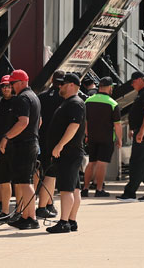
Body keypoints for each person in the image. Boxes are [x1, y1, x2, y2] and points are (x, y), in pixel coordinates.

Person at [0, 69, 42, 229]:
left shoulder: (23, 98)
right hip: (31, 143)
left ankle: (30, 217)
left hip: (24, 144)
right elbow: (39, 122)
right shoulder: (34, 97)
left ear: (23, 82)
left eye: (13, 83)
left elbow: (23, 122)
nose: (11, 86)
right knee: (25, 182)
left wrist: (6, 137)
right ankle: (27, 216)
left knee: (25, 182)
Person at [45, 73, 86, 233]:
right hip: (71, 152)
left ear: (71, 86)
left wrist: (60, 145)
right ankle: (71, 219)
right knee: (74, 188)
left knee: (66, 189)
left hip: (69, 152)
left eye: (62, 84)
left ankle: (64, 222)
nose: (59, 87)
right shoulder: (70, 103)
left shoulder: (75, 103)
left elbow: (74, 126)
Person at [117, 71, 144, 202]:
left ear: (141, 80)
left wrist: (141, 131)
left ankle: (130, 192)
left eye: (133, 81)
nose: (132, 84)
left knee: (137, 161)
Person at [82, 77, 122, 197]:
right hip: (107, 137)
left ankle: (85, 189)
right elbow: (117, 125)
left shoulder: (88, 101)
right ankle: (99, 189)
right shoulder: (113, 103)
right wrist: (119, 139)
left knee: (91, 162)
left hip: (92, 137)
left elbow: (86, 121)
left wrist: (87, 134)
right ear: (110, 88)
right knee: (101, 164)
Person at [36, 70, 65, 219]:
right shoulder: (64, 99)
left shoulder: (41, 97)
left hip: (41, 140)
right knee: (51, 175)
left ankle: (47, 203)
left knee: (41, 172)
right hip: (57, 142)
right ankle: (44, 206)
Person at [0, 75, 15, 219]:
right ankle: (2, 209)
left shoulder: (19, 102)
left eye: (8, 85)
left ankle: (21, 210)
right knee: (0, 179)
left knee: (18, 180)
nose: (6, 88)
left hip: (16, 146)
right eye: (3, 86)